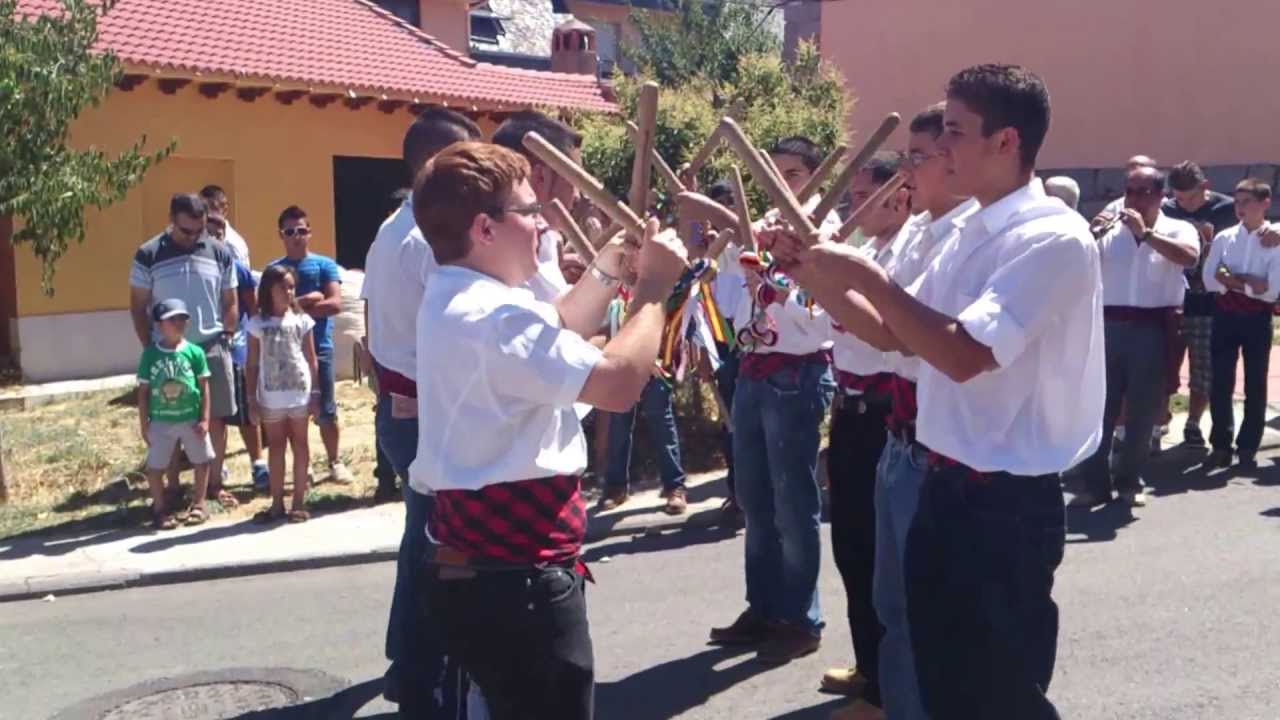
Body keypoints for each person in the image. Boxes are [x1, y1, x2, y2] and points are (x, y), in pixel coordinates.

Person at [772, 64, 1102, 719]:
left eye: (953, 131)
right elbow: (895, 337)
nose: (938, 149)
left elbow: (962, 355)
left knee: (1000, 692)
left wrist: (865, 272)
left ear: (1006, 142)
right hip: (945, 486)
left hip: (1005, 502)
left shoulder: (1051, 236)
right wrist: (812, 271)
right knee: (940, 673)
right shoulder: (970, 234)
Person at [410, 141, 687, 720]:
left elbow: (556, 322)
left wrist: (612, 265)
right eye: (529, 212)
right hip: (517, 581)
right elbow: (617, 383)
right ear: (486, 228)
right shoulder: (492, 316)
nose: (542, 224)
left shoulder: (462, 296)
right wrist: (657, 290)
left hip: (487, 570)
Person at [361, 106, 481, 717]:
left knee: (422, 539)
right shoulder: (423, 241)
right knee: (438, 546)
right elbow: (459, 330)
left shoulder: (391, 229)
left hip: (401, 408)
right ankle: (416, 672)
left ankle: (406, 662)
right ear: (436, 165)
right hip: (422, 411)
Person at [708, 135, 839, 666]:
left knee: (792, 502)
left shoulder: (824, 235)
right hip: (752, 371)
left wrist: (779, 288)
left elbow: (820, 322)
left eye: (794, 174)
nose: (783, 184)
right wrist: (743, 269)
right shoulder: (753, 230)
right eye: (774, 173)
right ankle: (762, 606)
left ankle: (800, 616)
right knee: (755, 501)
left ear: (813, 179)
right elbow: (726, 306)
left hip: (796, 373)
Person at [821, 150, 909, 717]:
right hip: (850, 407)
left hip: (884, 410)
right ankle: (869, 665)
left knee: (880, 553)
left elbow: (880, 334)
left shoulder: (903, 255)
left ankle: (887, 691)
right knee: (851, 547)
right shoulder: (866, 251)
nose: (854, 204)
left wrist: (823, 276)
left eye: (864, 195)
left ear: (897, 195)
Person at [1069, 168, 1199, 509]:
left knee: (1143, 412)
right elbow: (1074, 265)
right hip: (1107, 326)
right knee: (1099, 407)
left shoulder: (1177, 227)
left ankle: (1130, 482)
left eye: (1142, 191)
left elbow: (1189, 257)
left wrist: (1147, 234)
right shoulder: (1109, 229)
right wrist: (1089, 234)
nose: (1134, 198)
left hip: (1152, 329)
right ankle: (1094, 485)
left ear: (1159, 195)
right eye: (1130, 190)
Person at [129, 193, 240, 512]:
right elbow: (138, 306)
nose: (193, 238)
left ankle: (214, 485)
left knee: (215, 418)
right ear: (171, 219)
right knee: (170, 419)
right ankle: (174, 488)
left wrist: (227, 336)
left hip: (210, 346)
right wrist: (151, 348)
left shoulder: (219, 252)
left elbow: (229, 300)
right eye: (186, 231)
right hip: (166, 351)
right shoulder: (148, 253)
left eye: (199, 230)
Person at [269, 207, 352, 484]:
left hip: (321, 348)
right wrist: (308, 301)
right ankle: (302, 467)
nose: (297, 236)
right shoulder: (275, 271)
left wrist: (294, 307)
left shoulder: (324, 265)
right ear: (281, 234)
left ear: (310, 232)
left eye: (302, 231)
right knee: (295, 412)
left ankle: (334, 462)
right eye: (290, 231)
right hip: (286, 353)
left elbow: (334, 304)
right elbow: (270, 311)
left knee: (326, 410)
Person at [1162, 161, 1243, 446]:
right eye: (1178, 197)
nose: (1182, 204)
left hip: (1209, 303)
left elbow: (1238, 249)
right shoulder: (1167, 210)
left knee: (1203, 368)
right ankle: (1161, 421)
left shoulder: (1226, 210)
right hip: (1171, 301)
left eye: (1189, 197)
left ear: (1205, 187)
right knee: (1164, 366)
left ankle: (1194, 422)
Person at [1202, 178, 1280, 469]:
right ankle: (1220, 443)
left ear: (1264, 203)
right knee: (1220, 380)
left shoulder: (1274, 239)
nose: (1240, 208)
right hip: (1225, 315)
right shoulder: (1225, 238)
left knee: (1255, 382)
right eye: (1237, 201)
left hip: (1257, 318)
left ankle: (1248, 444)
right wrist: (1247, 283)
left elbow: (1271, 290)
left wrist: (1233, 280)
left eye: (1246, 201)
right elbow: (1211, 279)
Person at [245, 265, 319, 523]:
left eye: (291, 286)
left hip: (299, 392)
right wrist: (251, 399)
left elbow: (311, 359)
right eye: (282, 287)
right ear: (268, 290)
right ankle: (277, 502)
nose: (288, 292)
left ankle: (298, 502)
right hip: (271, 396)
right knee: (276, 446)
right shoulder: (257, 324)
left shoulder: (302, 320)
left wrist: (316, 392)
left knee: (300, 444)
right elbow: (252, 363)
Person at [137, 299, 215, 529]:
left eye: (183, 319)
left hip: (190, 418)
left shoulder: (195, 352)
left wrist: (205, 418)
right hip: (161, 419)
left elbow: (204, 387)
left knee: (201, 461)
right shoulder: (150, 355)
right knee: (155, 467)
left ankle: (200, 504)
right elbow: (143, 392)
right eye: (173, 319)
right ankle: (160, 508)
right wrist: (144, 424)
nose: (179, 323)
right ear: (160, 324)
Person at [206, 213, 269, 492]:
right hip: (208, 347)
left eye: (220, 233)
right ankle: (216, 468)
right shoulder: (199, 267)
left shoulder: (237, 268)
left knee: (247, 413)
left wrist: (257, 343)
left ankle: (258, 463)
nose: (217, 238)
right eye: (211, 233)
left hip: (238, 349)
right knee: (212, 414)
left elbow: (251, 307)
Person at [200, 184, 252, 265]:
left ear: (225, 210)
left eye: (212, 207)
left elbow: (242, 275)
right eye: (202, 208)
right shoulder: (193, 239)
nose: (207, 214)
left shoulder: (235, 244)